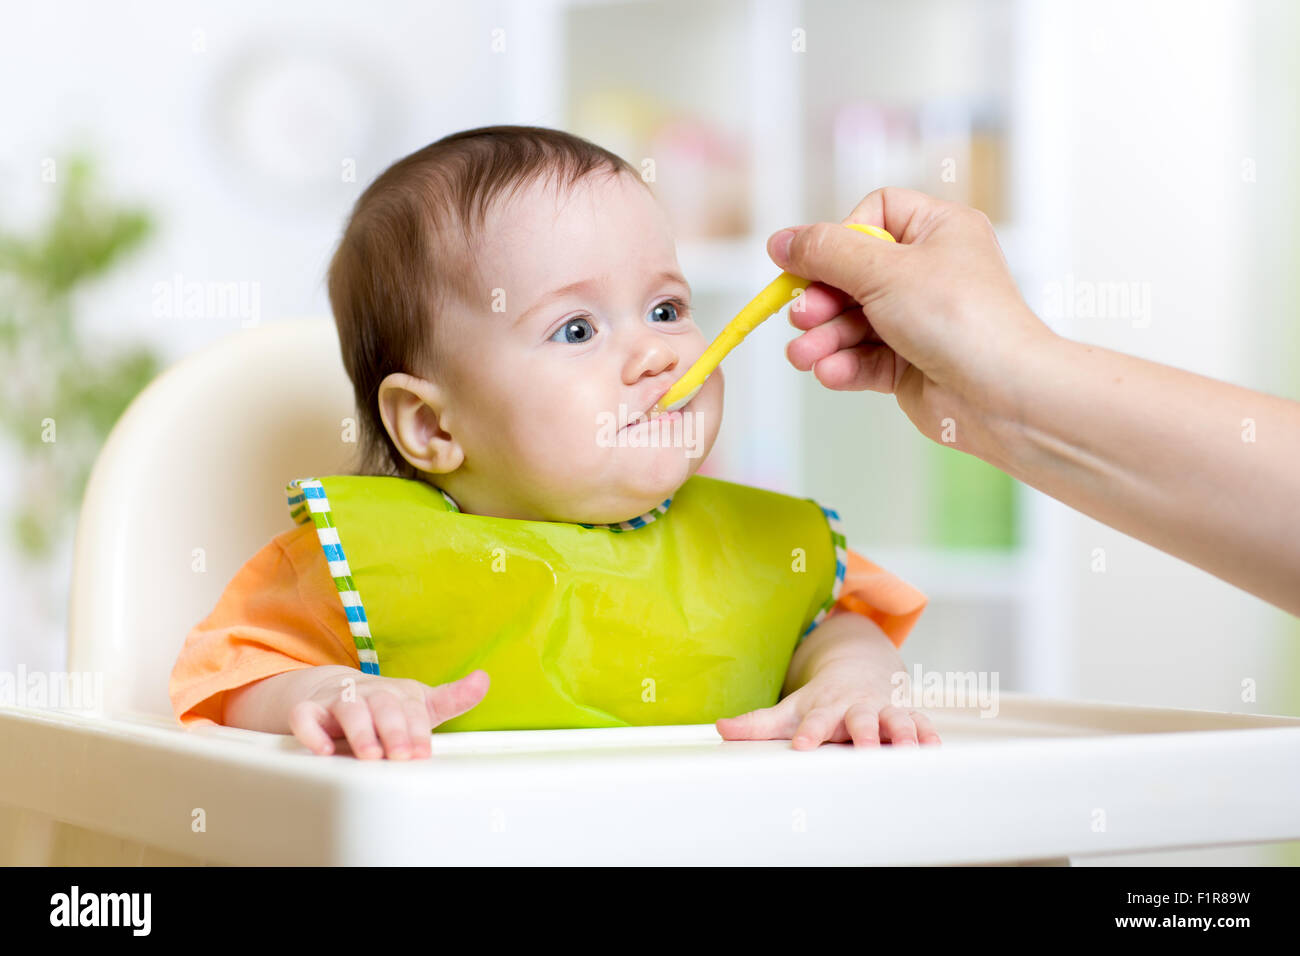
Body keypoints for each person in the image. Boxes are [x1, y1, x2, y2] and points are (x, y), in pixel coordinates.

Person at [169, 127, 937, 761]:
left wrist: (857, 682)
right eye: (577, 329)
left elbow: (838, 625)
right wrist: (331, 697)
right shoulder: (362, 562)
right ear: (433, 426)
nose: (659, 353)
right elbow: (232, 675)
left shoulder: (763, 544)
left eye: (667, 309)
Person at [770, 187, 1300, 617]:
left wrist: (849, 678)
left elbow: (845, 631)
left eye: (680, 311)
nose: (679, 356)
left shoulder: (790, 542)